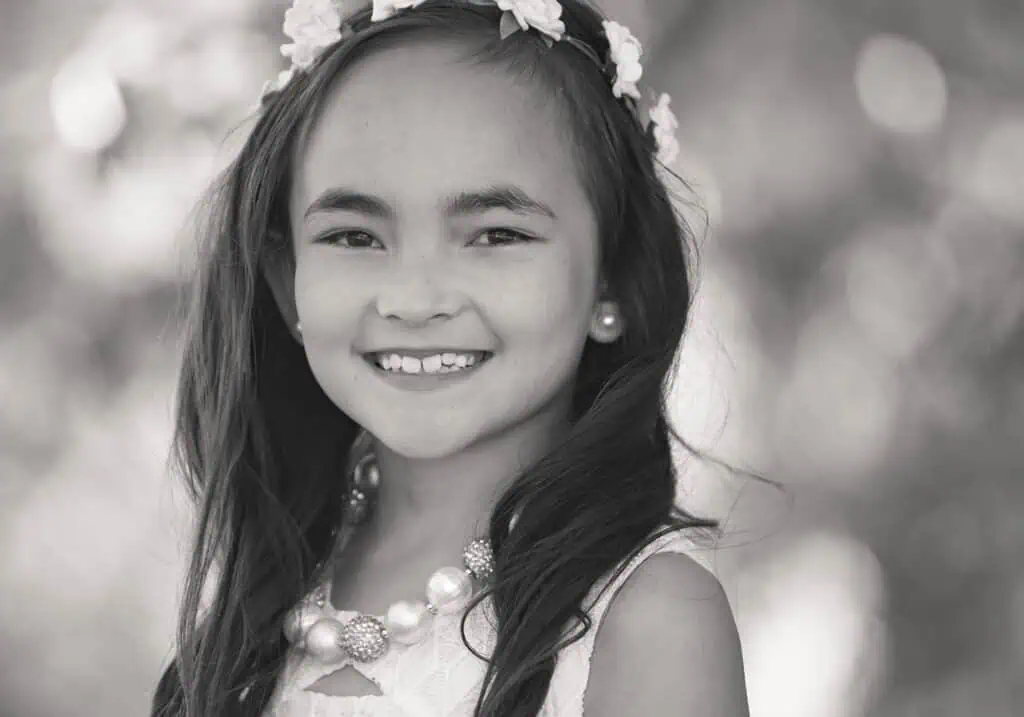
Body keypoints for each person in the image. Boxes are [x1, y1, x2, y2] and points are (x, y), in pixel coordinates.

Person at [152, 0, 750, 715]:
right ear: (288, 287)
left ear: (611, 277)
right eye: (354, 237)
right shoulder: (258, 608)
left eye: (496, 235)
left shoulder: (647, 618)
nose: (413, 298)